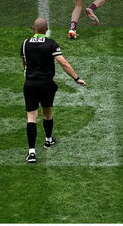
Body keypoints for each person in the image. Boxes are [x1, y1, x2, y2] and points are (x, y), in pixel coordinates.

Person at [20, 17, 86, 163]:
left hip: (30, 83)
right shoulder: (51, 44)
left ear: (34, 28)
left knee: (31, 117)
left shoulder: (25, 44)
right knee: (47, 112)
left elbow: (24, 62)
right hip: (46, 84)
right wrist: (76, 78)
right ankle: (48, 139)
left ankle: (31, 152)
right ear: (47, 29)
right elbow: (62, 62)